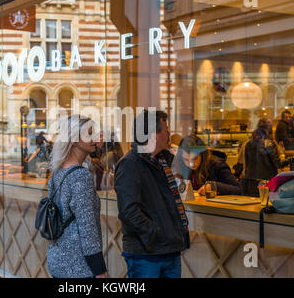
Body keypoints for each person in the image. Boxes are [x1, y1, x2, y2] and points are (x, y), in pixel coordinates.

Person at [114, 109, 190, 278]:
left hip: (169, 250)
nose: (170, 133)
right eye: (166, 129)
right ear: (153, 135)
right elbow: (128, 211)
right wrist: (155, 233)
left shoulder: (163, 162)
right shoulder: (130, 164)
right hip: (146, 253)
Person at [46, 114, 107, 278]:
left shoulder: (57, 171)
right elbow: (88, 230)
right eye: (89, 133)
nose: (95, 137)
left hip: (56, 258)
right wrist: (100, 270)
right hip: (78, 265)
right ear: (74, 139)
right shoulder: (81, 176)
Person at [174, 135, 241, 195]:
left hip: (216, 207)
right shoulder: (182, 166)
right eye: (186, 159)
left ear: (202, 154)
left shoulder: (217, 164)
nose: (191, 164)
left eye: (194, 158)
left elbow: (238, 189)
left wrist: (215, 186)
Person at [243, 127, 294, 196]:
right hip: (266, 182)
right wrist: (292, 160)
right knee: (267, 203)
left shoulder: (248, 144)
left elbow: (247, 164)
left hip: (251, 183)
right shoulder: (270, 144)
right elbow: (278, 164)